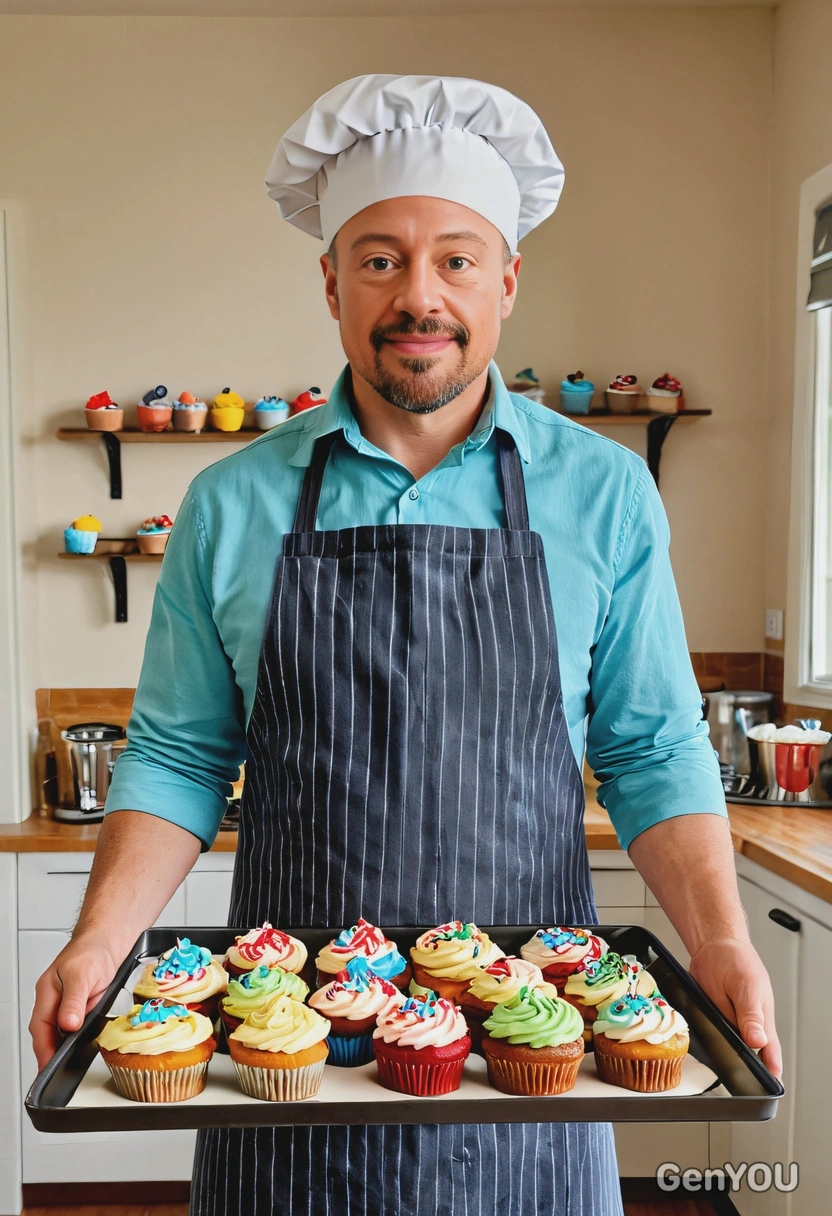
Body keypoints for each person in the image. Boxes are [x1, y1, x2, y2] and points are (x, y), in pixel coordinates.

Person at [30, 74, 780, 1216]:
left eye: (456, 259)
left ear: (507, 280)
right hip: (287, 1063)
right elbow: (179, 755)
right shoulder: (233, 504)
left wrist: (719, 942)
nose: (417, 295)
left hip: (529, 1067)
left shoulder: (603, 492)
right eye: (379, 258)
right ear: (330, 282)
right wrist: (98, 941)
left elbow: (651, 750)